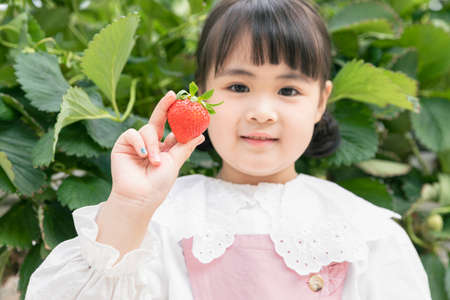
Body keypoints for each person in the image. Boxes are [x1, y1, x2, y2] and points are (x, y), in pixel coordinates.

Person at [25, 0, 432, 299]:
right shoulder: (161, 221)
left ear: (321, 101)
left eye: (288, 89)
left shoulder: (364, 233)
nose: (261, 112)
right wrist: (130, 208)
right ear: (201, 91)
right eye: (238, 87)